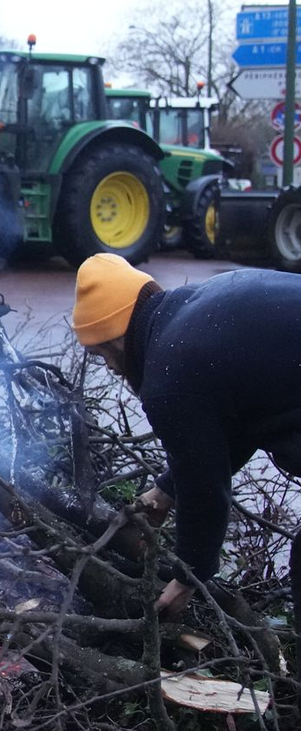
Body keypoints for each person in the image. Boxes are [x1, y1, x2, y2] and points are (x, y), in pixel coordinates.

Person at [71, 252, 301, 617]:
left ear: (116, 339)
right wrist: (165, 491)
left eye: (102, 355)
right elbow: (238, 425)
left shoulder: (168, 379)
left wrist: (189, 577)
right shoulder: (192, 311)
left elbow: (205, 486)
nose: (111, 369)